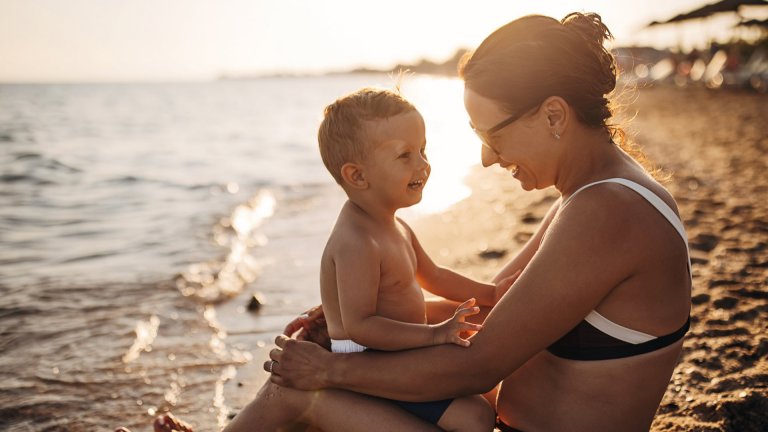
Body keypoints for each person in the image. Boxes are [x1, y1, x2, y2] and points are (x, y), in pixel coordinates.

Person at [150, 11, 691, 432]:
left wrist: (330, 369)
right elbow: (492, 305)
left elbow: (477, 366)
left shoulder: (610, 211)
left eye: (492, 137)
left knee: (301, 394)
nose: (486, 159)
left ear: (552, 116)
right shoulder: (592, 197)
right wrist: (364, 313)